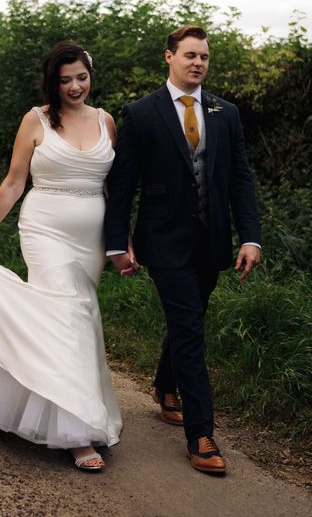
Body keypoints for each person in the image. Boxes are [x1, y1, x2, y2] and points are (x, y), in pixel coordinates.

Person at [0, 41, 123, 472]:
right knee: (64, 317)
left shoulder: (107, 122)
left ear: (91, 75)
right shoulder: (36, 120)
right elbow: (14, 183)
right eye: (65, 79)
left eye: (82, 78)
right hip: (44, 229)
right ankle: (75, 433)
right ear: (53, 82)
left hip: (90, 238)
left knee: (79, 317)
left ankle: (7, 404)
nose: (75, 87)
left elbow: (115, 191)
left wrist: (122, 243)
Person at [104, 24, 261, 475]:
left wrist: (250, 237)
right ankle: (201, 434)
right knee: (190, 329)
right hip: (164, 241)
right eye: (190, 55)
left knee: (190, 319)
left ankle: (164, 386)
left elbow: (240, 179)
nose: (198, 63)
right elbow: (124, 183)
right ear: (169, 57)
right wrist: (118, 244)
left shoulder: (224, 112)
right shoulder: (141, 113)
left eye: (204, 57)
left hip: (211, 242)